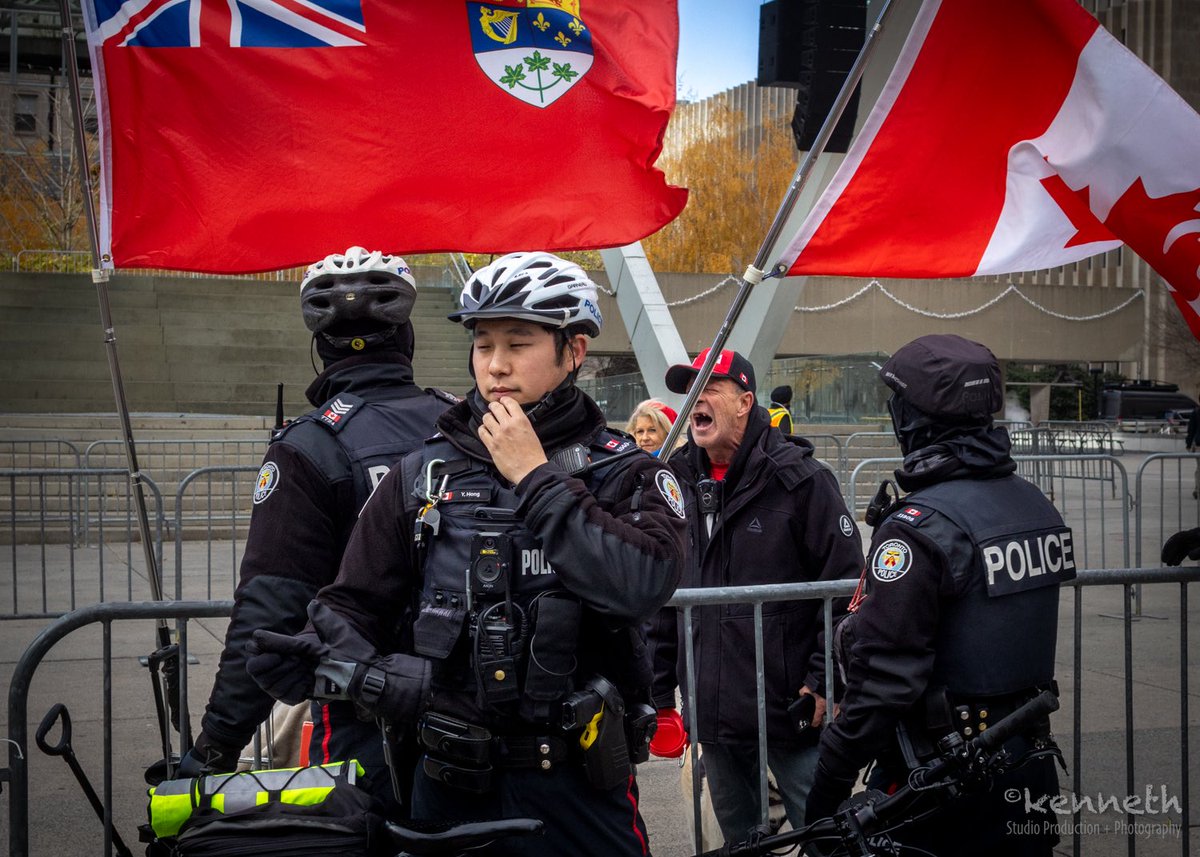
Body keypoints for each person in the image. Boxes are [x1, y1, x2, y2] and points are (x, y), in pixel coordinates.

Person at [246, 251, 686, 856]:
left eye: (519, 342)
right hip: (446, 786)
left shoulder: (625, 470)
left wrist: (534, 476)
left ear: (574, 352)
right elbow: (346, 607)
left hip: (578, 789)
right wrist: (370, 674)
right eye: (483, 344)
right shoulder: (423, 471)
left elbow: (641, 583)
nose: (496, 365)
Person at [180, 247, 453, 815]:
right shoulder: (469, 425)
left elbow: (270, 605)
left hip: (364, 715)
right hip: (477, 710)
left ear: (321, 352)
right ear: (406, 343)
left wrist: (216, 746)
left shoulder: (310, 444)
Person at [805, 334, 1075, 857]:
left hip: (936, 783)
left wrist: (828, 786)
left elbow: (884, 679)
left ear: (911, 418)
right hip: (1026, 765)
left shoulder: (921, 528)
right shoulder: (1035, 505)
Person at [646, 348, 862, 842]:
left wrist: (824, 680)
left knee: (826, 836)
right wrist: (658, 693)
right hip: (713, 713)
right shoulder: (675, 482)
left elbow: (848, 589)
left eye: (709, 389)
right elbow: (661, 595)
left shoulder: (802, 481)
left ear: (744, 402)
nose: (695, 401)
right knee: (739, 842)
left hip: (793, 709)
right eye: (690, 392)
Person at [1186, 399, 1199, 499]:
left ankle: (1197, 489)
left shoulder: (1196, 412)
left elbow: (1191, 430)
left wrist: (1189, 444)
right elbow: (1191, 430)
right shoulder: (1196, 413)